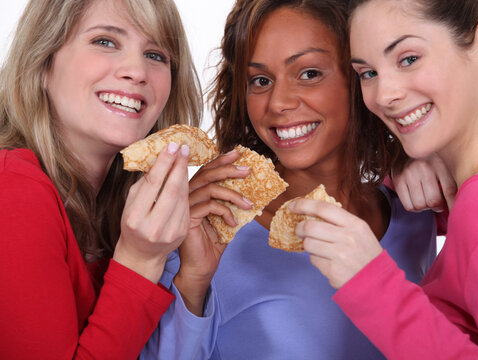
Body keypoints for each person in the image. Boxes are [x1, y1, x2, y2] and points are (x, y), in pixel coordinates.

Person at [141, 0, 446, 358]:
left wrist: (416, 155)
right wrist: (192, 281)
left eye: (309, 73)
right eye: (260, 80)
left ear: (361, 75)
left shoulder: (415, 213)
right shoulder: (208, 231)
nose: (278, 103)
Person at [292, 0, 478, 358]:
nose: (384, 95)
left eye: (408, 59)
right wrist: (406, 162)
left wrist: (372, 283)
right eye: (367, 73)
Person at [0, 0, 202, 358]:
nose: (137, 71)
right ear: (43, 63)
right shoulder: (13, 188)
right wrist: (140, 261)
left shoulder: (123, 210)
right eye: (105, 41)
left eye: (156, 54)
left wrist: (193, 273)